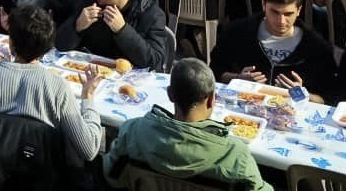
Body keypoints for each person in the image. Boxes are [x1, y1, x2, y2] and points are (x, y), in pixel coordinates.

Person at [0, 6, 105, 177]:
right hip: (40, 176)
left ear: (11, 42)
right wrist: (88, 98)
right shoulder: (57, 86)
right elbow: (89, 149)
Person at [103, 58, 271, 191]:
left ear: (170, 94)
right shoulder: (235, 155)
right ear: (212, 99)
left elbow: (111, 176)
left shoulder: (133, 132)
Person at [209, 0, 337, 101]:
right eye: (275, 12)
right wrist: (237, 79)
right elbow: (214, 71)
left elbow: (328, 97)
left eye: (288, 14)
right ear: (264, 5)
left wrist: (304, 95)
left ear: (299, 10)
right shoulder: (237, 32)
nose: (281, 21)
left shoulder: (316, 47)